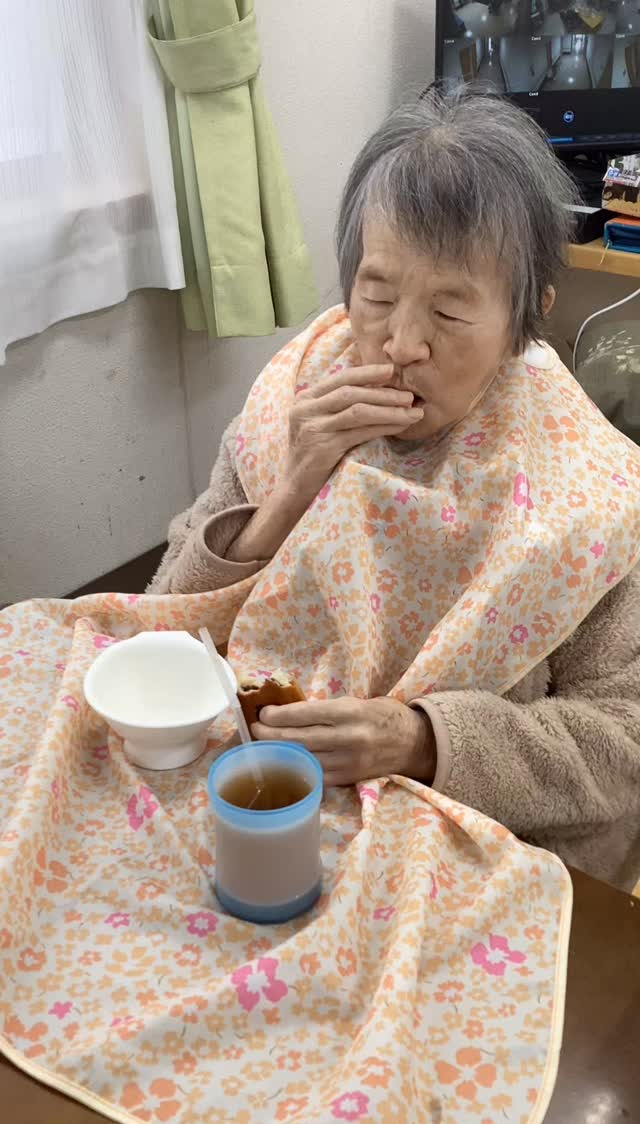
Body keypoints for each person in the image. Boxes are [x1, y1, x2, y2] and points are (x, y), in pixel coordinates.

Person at [149, 89, 640, 892]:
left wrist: (423, 738)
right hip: (264, 806)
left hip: (461, 855)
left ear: (527, 319)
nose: (402, 343)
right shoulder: (299, 397)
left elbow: (623, 745)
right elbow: (163, 616)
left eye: (450, 310)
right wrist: (283, 498)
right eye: (376, 296)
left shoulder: (587, 489)